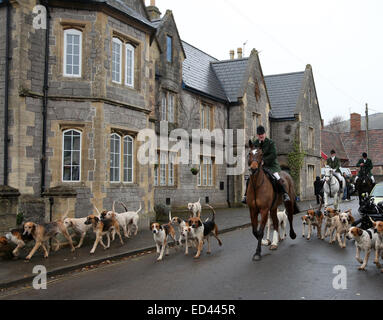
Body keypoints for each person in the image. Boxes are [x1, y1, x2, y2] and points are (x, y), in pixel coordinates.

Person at [242, 125, 290, 204]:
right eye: (259, 135)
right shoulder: (255, 143)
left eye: (262, 134)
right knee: (250, 178)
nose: (261, 136)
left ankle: (285, 194)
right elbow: (252, 154)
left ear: (265, 134)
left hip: (271, 165)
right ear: (257, 135)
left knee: (277, 178)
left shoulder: (270, 142)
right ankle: (245, 196)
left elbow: (273, 154)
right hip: (259, 166)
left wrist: (264, 161)